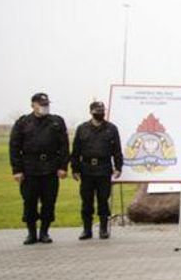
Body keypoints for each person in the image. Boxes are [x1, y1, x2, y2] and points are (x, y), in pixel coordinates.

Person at [9, 92, 70, 245]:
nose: (45, 107)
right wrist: (17, 170)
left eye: (46, 104)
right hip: (29, 169)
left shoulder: (56, 122)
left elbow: (64, 146)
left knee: (49, 202)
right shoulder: (23, 123)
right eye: (41, 104)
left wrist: (63, 167)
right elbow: (14, 147)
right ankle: (31, 233)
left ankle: (44, 232)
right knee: (29, 202)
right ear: (33, 105)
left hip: (50, 168)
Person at [70, 100, 123, 240]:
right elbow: (75, 151)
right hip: (86, 170)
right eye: (97, 112)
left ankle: (103, 229)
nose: (100, 114)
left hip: (104, 169)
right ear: (91, 112)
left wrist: (118, 167)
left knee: (103, 200)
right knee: (86, 201)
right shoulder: (82, 128)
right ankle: (87, 230)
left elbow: (117, 150)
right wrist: (74, 168)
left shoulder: (111, 129)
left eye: (102, 111)